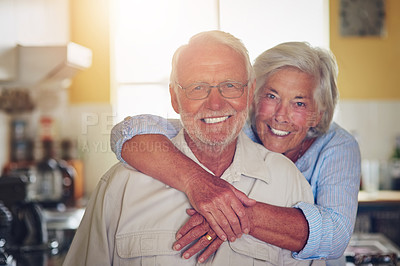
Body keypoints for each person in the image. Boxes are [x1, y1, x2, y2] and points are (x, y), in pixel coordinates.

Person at [63, 30, 316, 265]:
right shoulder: (120, 186)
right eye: (197, 87)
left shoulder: (288, 183)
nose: (215, 104)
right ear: (174, 98)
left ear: (250, 92)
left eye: (230, 85)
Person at [110, 41, 361, 264]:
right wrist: (196, 181)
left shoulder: (337, 146)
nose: (281, 116)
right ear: (252, 96)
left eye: (299, 103)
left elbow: (335, 235)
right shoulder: (231, 127)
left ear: (318, 113)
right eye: (271, 96)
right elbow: (130, 132)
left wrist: (227, 214)